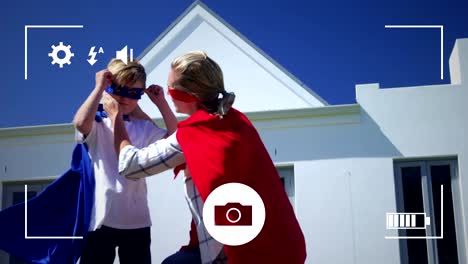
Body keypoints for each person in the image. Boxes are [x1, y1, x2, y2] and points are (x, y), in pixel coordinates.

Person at [105, 51, 307, 264]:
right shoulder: (236, 120)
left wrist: (116, 116)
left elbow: (130, 166)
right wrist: (154, 107)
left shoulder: (194, 133)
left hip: (238, 254)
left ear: (187, 95)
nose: (168, 91)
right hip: (280, 244)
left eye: (171, 88)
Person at [73, 58, 178, 264]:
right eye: (120, 90)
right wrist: (99, 88)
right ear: (110, 89)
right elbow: (79, 122)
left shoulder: (143, 127)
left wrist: (161, 103)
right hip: (101, 218)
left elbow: (176, 140)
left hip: (136, 219)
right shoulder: (98, 123)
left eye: (134, 93)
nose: (125, 98)